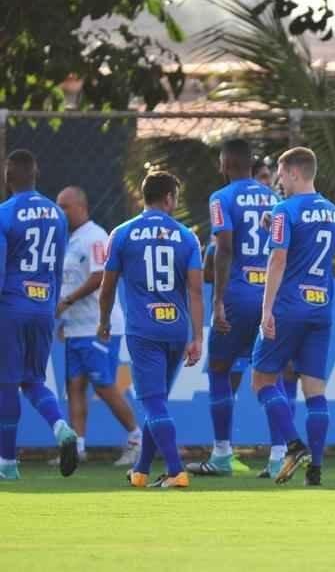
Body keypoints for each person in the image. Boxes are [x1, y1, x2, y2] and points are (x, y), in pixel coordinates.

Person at [100, 170, 204, 488]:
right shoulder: (187, 237)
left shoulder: (122, 233)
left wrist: (103, 320)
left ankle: (176, 471)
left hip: (143, 330)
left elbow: (107, 286)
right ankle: (141, 471)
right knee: (156, 401)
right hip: (175, 329)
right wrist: (198, 336)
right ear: (169, 198)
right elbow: (196, 291)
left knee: (153, 402)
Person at [250, 147, 335, 487]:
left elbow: (279, 260)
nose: (278, 179)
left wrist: (266, 309)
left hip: (289, 305)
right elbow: (313, 248)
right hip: (321, 306)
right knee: (315, 389)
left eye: (280, 172)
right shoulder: (334, 212)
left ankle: (292, 443)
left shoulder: (285, 209)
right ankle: (315, 469)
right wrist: (271, 223)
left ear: (292, 172)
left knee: (261, 380)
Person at [189, 139, 280, 477]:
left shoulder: (222, 198)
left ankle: (222, 453)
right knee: (271, 372)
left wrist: (218, 301)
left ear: (225, 164)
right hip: (271, 295)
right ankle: (280, 453)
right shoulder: (274, 198)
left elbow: (224, 248)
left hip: (239, 295)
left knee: (219, 371)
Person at [0, 149, 77, 480]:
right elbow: (58, 268)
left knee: (5, 383)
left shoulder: (4, 214)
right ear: (36, 174)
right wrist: (51, 305)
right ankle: (61, 428)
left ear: (7, 177)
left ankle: (7, 464)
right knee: (33, 380)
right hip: (44, 306)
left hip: (12, 306)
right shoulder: (57, 214)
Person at [55, 186, 142, 467]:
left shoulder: (95, 236)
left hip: (98, 326)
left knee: (104, 385)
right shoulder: (70, 240)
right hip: (75, 328)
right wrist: (66, 320)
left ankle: (137, 438)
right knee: (75, 386)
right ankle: (77, 447)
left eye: (64, 206)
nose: (60, 212)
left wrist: (66, 302)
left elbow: (99, 276)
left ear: (81, 207)